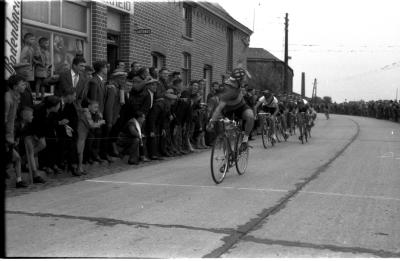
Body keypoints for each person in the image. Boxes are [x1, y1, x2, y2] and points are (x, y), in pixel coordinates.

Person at [208, 68, 255, 149]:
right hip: (228, 110)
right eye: (243, 79)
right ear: (238, 80)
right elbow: (219, 108)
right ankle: (227, 154)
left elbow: (242, 75)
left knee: (250, 116)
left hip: (241, 105)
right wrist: (212, 121)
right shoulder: (229, 90)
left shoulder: (236, 81)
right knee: (228, 133)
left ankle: (245, 140)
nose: (244, 81)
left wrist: (244, 71)